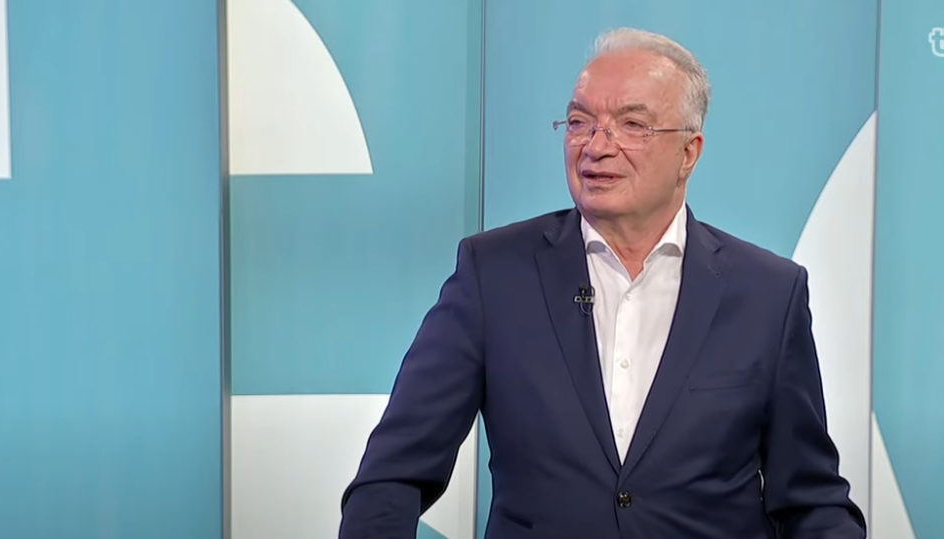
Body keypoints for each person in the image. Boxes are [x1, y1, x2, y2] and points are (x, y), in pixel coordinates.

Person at [339, 27, 866, 539]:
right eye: (579, 122)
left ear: (688, 152)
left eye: (631, 125)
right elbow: (392, 476)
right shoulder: (493, 275)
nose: (596, 146)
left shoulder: (768, 293)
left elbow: (810, 502)